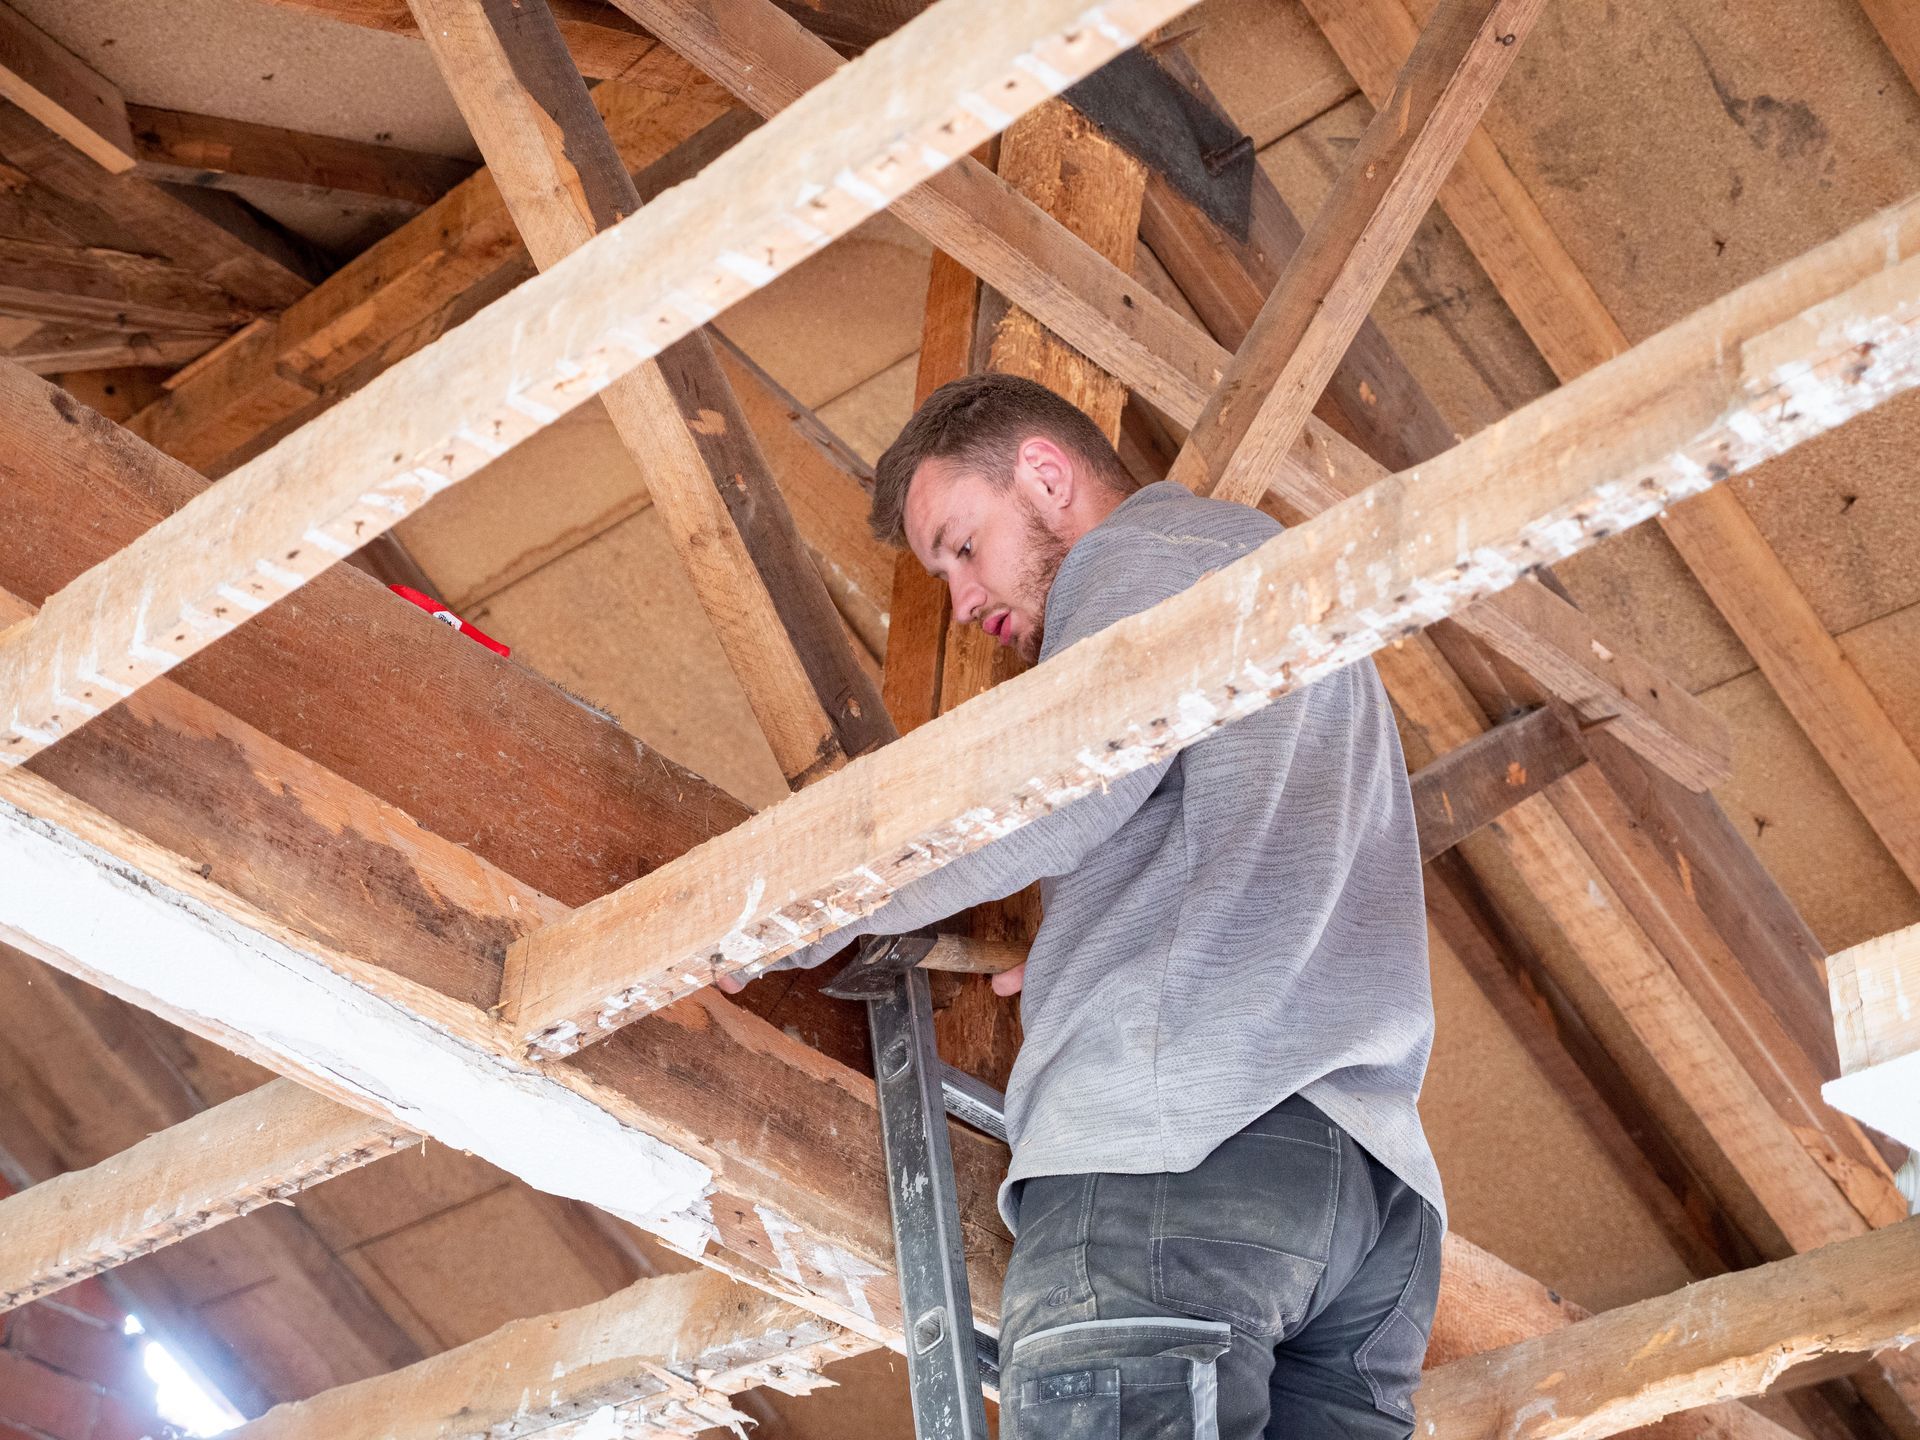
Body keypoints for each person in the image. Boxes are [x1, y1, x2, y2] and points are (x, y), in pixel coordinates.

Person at [724, 373, 1443, 1439]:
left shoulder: (1141, 558)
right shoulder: (1272, 586)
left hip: (1180, 1167)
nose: (964, 601)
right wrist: (1089, 942)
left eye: (960, 546)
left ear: (1045, 476)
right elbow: (1216, 836)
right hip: (1367, 1205)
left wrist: (793, 908)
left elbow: (1057, 788)